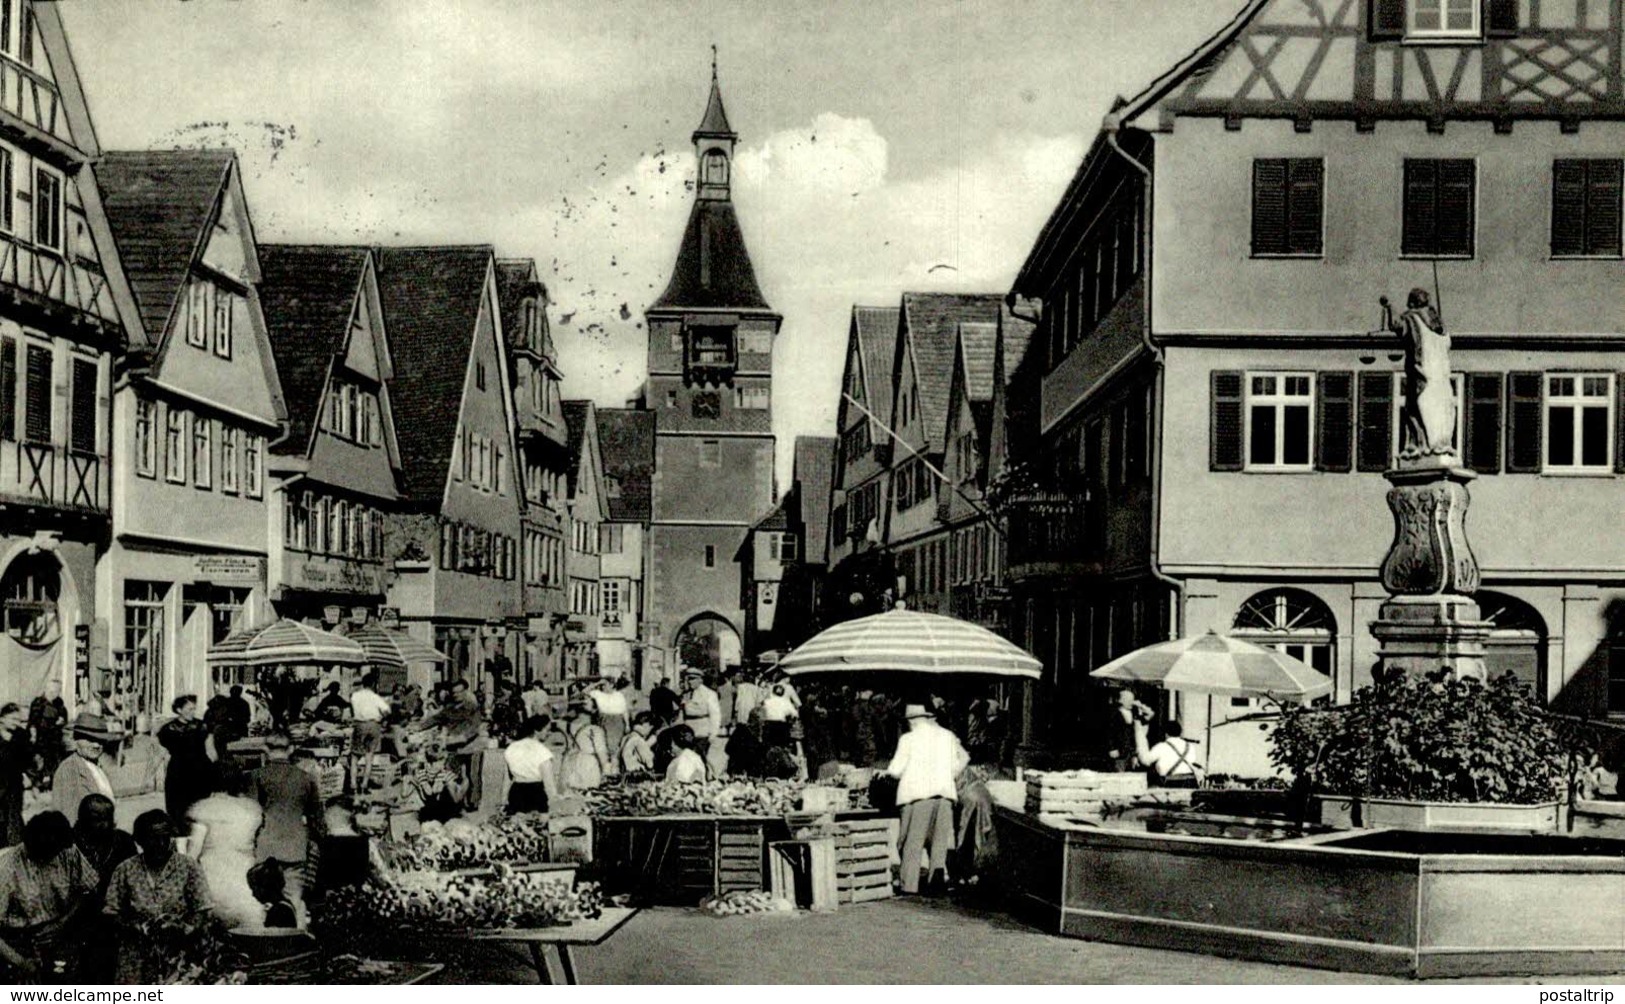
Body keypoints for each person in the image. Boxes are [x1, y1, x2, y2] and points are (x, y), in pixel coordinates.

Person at [103, 810, 211, 985]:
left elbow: (203, 908)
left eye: (165, 838)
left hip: (178, 956)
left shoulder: (187, 867)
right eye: (153, 838)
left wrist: (184, 929)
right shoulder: (126, 870)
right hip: (136, 957)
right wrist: (136, 927)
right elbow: (111, 912)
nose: (160, 844)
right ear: (139, 840)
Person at [0, 811, 96, 979]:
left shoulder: (67, 851)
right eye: (45, 853)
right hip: (15, 942)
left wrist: (62, 923)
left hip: (61, 933)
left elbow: (87, 890)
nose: (52, 857)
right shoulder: (6, 867)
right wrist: (21, 962)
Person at [886, 703, 969, 896]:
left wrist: (891, 771)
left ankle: (909, 888)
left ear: (913, 721)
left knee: (911, 843)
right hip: (945, 796)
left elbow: (895, 770)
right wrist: (948, 775)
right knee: (939, 843)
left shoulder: (908, 739)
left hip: (918, 796)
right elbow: (963, 759)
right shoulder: (947, 736)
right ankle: (936, 886)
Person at [249, 733, 323, 915]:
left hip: (266, 846)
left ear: (266, 750)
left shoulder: (257, 776)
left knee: (264, 902)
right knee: (295, 899)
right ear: (291, 749)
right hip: (295, 845)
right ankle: (296, 938)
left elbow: (251, 813)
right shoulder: (306, 778)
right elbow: (317, 816)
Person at [186, 773, 263, 930]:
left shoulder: (203, 810)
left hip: (212, 882)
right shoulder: (251, 810)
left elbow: (193, 853)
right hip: (245, 884)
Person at [71, 796, 135, 982]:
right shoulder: (69, 843)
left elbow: (133, 878)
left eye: (108, 818)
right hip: (76, 918)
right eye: (96, 819)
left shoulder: (122, 841)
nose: (104, 824)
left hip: (115, 917)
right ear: (81, 819)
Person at [158, 695, 215, 826]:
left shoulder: (202, 726)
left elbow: (211, 750)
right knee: (178, 809)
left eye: (194, 709)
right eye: (189, 709)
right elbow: (161, 753)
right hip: (178, 772)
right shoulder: (168, 729)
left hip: (200, 770)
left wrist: (213, 771)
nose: (193, 712)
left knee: (201, 808)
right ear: (179, 710)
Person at [52, 714, 117, 824]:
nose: (96, 745)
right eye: (90, 739)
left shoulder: (96, 766)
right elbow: (68, 816)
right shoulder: (69, 769)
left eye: (100, 740)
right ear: (76, 740)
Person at [503, 716, 560, 815]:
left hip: (516, 791)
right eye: (547, 730)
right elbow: (549, 783)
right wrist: (555, 802)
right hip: (536, 793)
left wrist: (503, 799)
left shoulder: (511, 748)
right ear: (537, 731)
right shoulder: (542, 751)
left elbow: (507, 778)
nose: (549, 734)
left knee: (516, 825)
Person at [348, 673, 391, 793]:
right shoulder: (375, 697)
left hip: (360, 725)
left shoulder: (354, 696)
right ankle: (364, 784)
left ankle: (353, 783)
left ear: (363, 683)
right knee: (369, 756)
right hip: (374, 725)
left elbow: (352, 712)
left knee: (355, 756)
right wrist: (382, 718)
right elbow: (387, 711)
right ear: (373, 684)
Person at [1134, 717, 1202, 788]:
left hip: (1172, 784)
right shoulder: (1190, 746)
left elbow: (1145, 761)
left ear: (1166, 734)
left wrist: (1141, 738)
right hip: (1191, 782)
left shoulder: (1161, 747)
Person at [408, 745, 467, 824]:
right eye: (442, 761)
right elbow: (456, 799)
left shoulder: (421, 774)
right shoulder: (446, 775)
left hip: (428, 815)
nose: (443, 764)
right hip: (445, 816)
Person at [560, 703, 610, 792]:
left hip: (570, 761)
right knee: (590, 793)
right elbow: (602, 753)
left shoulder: (568, 726)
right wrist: (607, 773)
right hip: (588, 764)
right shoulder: (594, 730)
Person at [26, 681, 67, 790]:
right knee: (39, 763)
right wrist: (33, 736)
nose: (56, 694)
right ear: (47, 690)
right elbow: (32, 722)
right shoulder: (38, 702)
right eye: (53, 691)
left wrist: (62, 720)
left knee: (55, 761)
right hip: (41, 737)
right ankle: (37, 784)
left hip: (55, 737)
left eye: (58, 691)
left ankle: (53, 785)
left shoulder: (59, 702)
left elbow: (64, 715)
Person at [0, 703, 28, 848]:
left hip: (15, 785)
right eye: (13, 719)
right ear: (2, 718)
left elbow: (26, 760)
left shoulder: (21, 736)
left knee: (14, 818)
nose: (16, 723)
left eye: (18, 720)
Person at [680, 669, 721, 761]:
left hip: (702, 732)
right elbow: (682, 713)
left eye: (692, 679)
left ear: (700, 680)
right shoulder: (686, 694)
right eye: (688, 679)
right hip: (687, 732)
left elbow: (715, 714)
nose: (690, 681)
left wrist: (713, 733)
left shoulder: (709, 694)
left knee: (699, 757)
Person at [1106, 689, 1151, 773]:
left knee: (1131, 772)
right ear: (1121, 700)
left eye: (1132, 700)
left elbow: (1149, 716)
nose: (1132, 702)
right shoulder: (1114, 713)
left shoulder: (1135, 713)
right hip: (1119, 748)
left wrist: (1141, 706)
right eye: (1129, 700)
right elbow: (1110, 732)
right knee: (1119, 772)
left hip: (1131, 750)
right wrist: (1112, 748)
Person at [246, 860, 296, 930]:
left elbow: (272, 938)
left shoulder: (278, 911)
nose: (253, 894)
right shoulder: (285, 906)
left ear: (265, 887)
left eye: (254, 889)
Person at [589, 680, 630, 752]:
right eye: (602, 685)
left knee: (614, 746)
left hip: (617, 722)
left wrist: (627, 724)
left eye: (605, 684)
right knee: (602, 745)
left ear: (612, 685)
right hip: (603, 720)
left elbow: (624, 711)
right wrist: (597, 683)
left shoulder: (619, 695)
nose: (603, 686)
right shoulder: (598, 694)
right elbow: (584, 692)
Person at [760, 684, 797, 749]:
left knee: (768, 747)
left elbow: (761, 712)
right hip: (782, 726)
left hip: (769, 725)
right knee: (782, 747)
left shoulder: (766, 701)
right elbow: (795, 714)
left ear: (773, 692)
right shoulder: (786, 702)